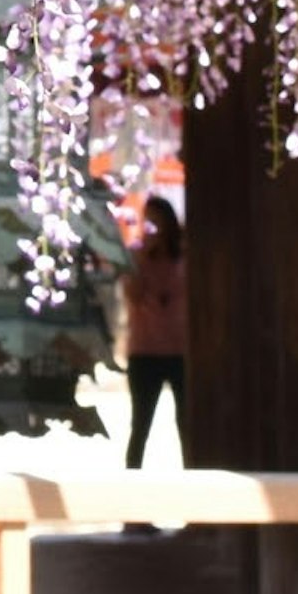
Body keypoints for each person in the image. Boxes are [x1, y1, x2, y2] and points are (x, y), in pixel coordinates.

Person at [120, 194, 187, 473]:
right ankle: (132, 508)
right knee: (140, 426)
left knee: (187, 426)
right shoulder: (136, 256)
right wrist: (143, 260)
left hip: (179, 351)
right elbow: (132, 295)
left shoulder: (183, 257)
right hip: (144, 352)